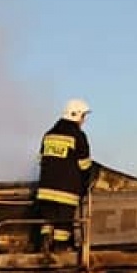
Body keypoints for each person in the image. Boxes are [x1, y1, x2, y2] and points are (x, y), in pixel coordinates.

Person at [34, 98, 94, 250]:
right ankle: (58, 254)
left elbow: (41, 160)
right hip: (66, 193)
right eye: (83, 116)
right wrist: (86, 185)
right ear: (77, 115)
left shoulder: (48, 135)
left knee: (46, 224)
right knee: (62, 229)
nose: (84, 120)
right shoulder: (78, 137)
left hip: (45, 192)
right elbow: (85, 166)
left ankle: (44, 246)